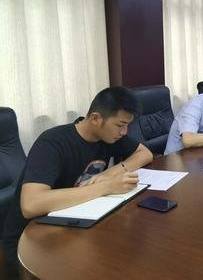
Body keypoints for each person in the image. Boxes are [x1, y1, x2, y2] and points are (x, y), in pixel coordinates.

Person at [2, 87, 153, 278]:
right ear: (95, 118)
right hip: (31, 240)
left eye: (127, 126)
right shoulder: (52, 142)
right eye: (120, 125)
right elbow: (31, 205)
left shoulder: (108, 136)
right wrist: (105, 187)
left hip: (74, 224)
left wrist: (113, 172)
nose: (124, 132)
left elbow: (144, 153)